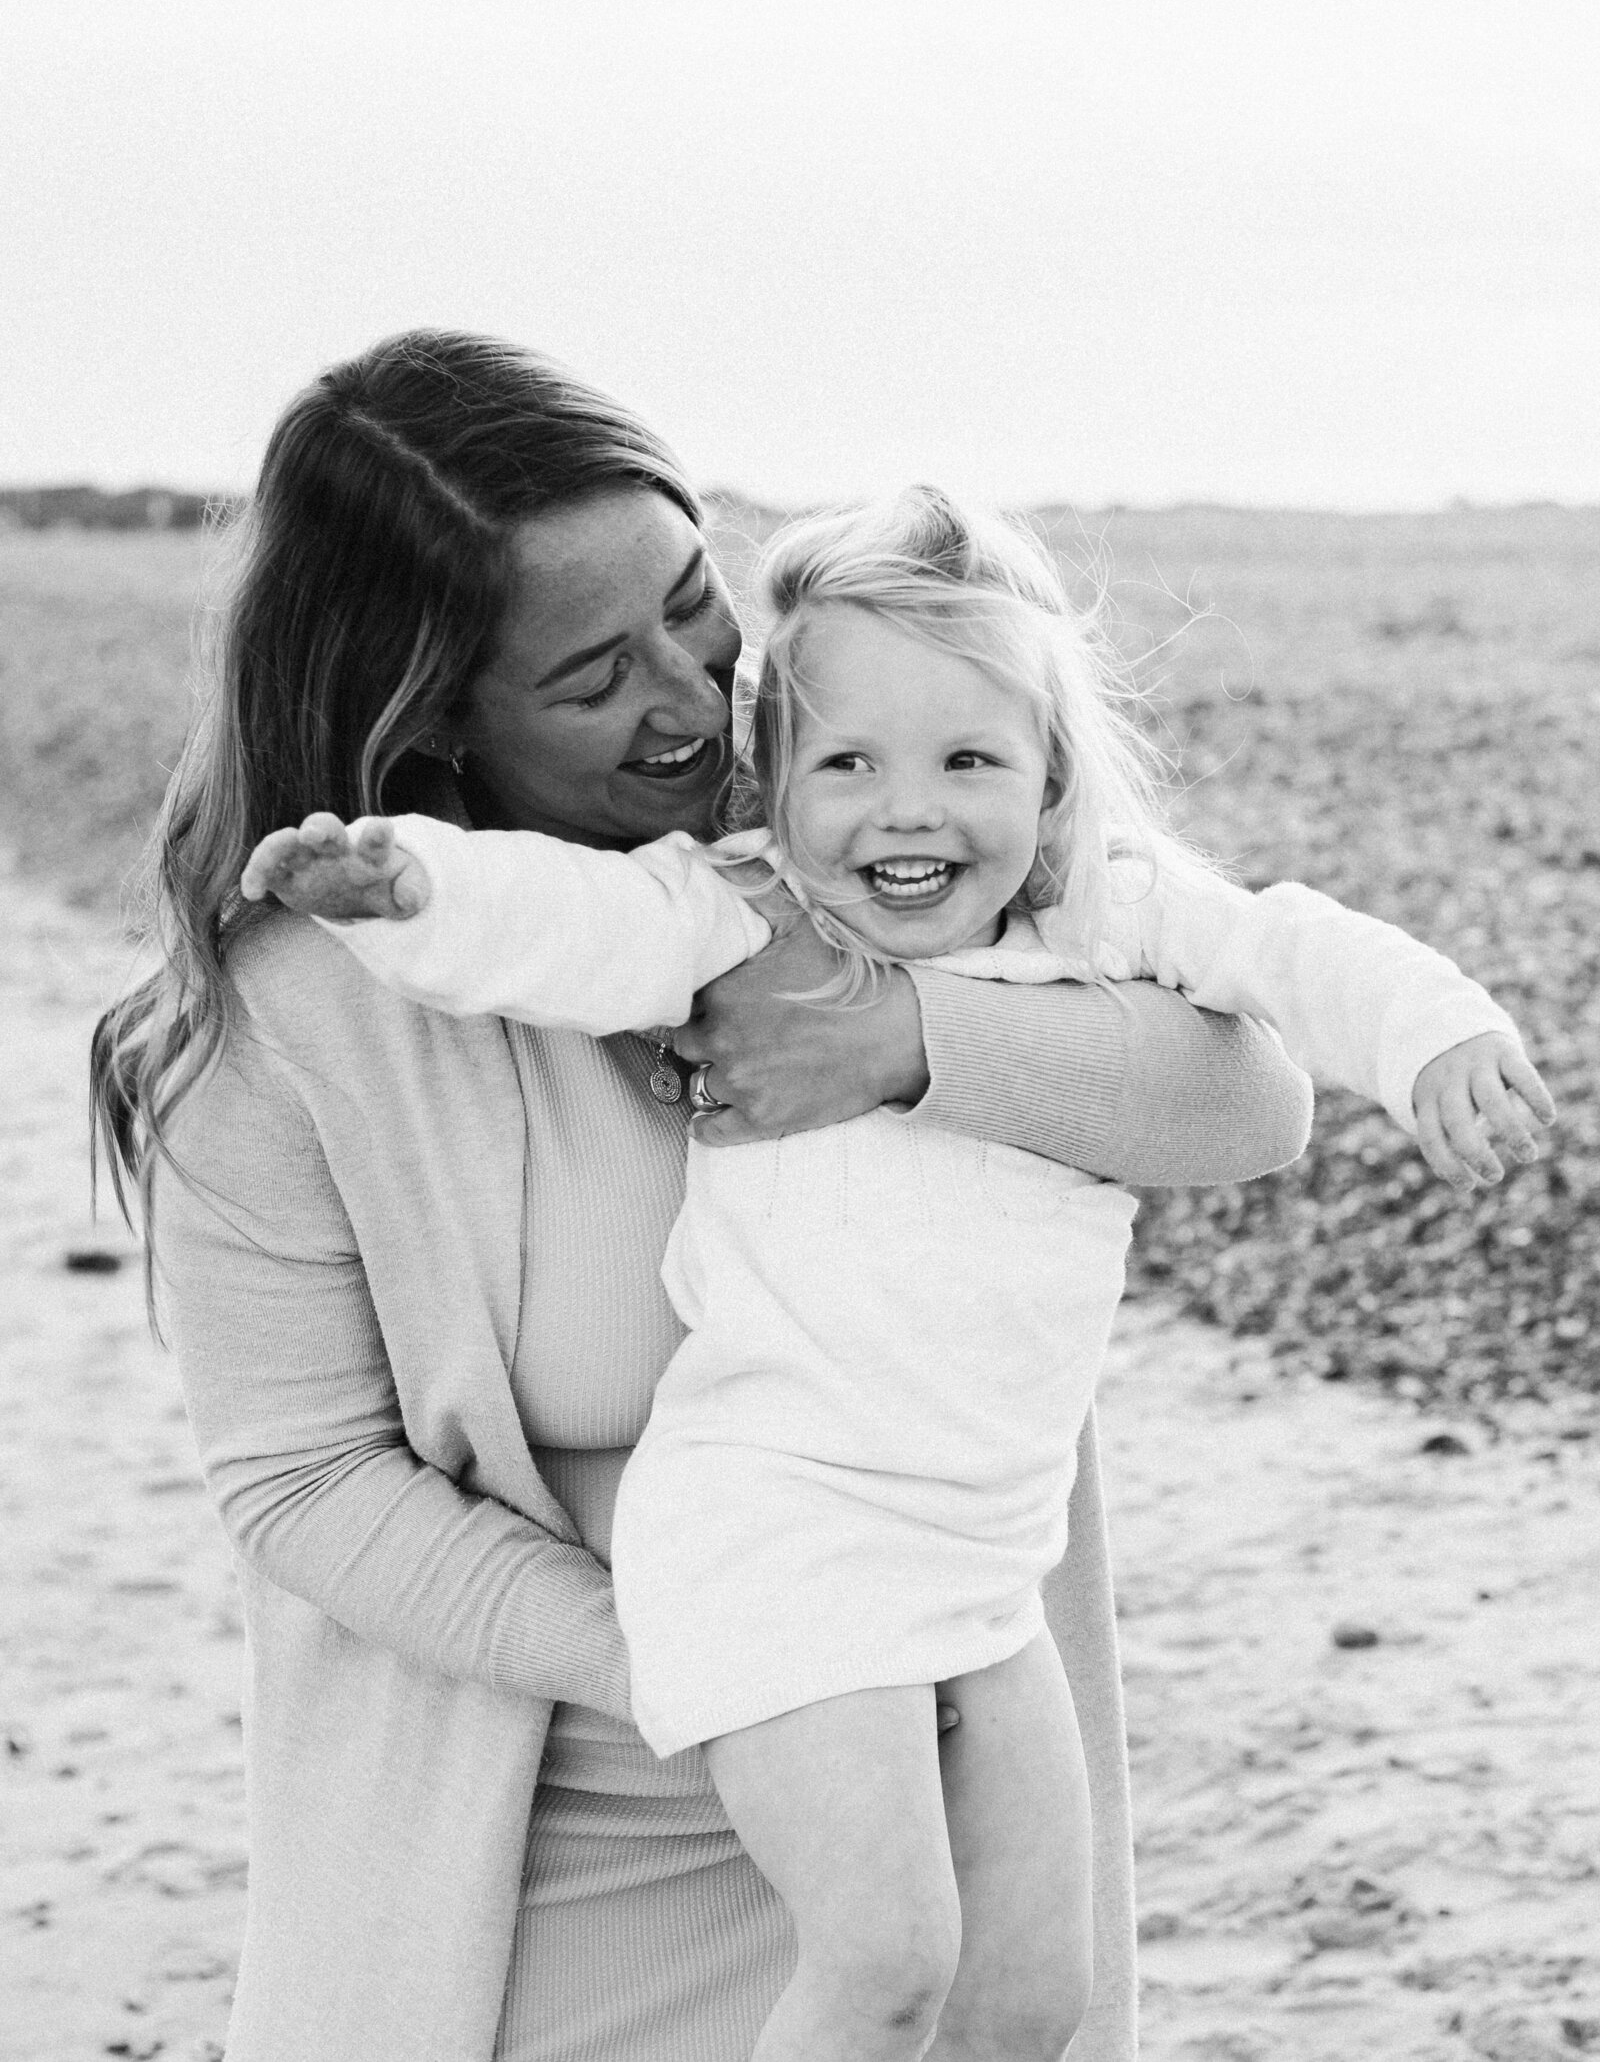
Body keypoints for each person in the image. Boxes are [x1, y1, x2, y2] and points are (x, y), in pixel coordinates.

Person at [94, 331, 1329, 2062]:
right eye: (596, 674)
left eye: (694, 603)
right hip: (539, 1850)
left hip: (951, 1795)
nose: (691, 700)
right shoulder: (298, 1010)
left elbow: (1247, 1095)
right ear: (433, 705)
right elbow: (303, 1485)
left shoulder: (866, 817)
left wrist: (903, 1038)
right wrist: (745, 1663)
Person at [242, 484, 1551, 2062]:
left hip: (986, 1559)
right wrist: (414, 888)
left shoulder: (1100, 919)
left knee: (1032, 2003)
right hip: (785, 1524)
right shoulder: (737, 915)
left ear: (1054, 780)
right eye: (849, 764)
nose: (908, 811)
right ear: (774, 785)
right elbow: (564, 925)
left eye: (969, 761)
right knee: (884, 1963)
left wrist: (1440, 1035)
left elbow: (1288, 954)